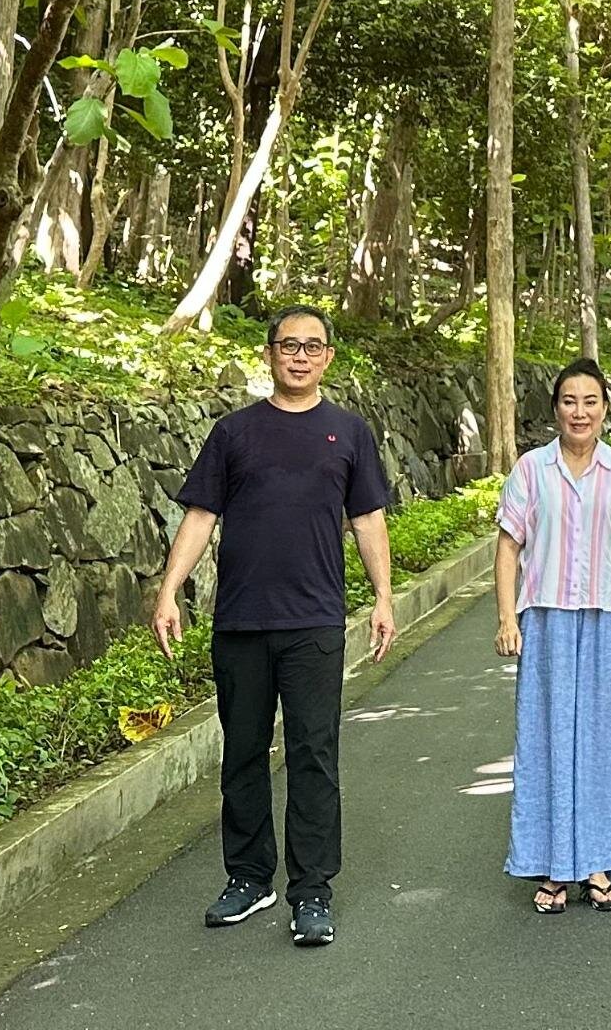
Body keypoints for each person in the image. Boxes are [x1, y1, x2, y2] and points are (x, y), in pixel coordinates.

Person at [152, 307, 396, 948]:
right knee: (242, 753)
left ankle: (312, 890)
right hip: (241, 620)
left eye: (312, 346)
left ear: (328, 357)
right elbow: (201, 515)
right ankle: (249, 877)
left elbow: (368, 520)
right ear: (269, 354)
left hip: (314, 621)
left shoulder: (349, 432)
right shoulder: (234, 433)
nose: (300, 356)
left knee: (314, 756)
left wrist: (383, 598)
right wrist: (169, 590)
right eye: (289, 345)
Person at [496, 358, 611, 913]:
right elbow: (508, 547)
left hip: (609, 617)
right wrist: (506, 617)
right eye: (569, 401)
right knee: (545, 738)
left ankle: (596, 863)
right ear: (555, 409)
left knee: (604, 743)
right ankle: (551, 869)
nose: (580, 411)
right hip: (545, 619)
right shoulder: (530, 470)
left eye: (590, 401)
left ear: (605, 408)